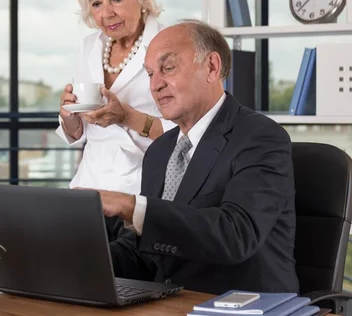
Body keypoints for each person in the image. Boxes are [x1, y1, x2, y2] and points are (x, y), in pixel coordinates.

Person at [95, 19, 299, 294]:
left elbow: (236, 235)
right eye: (150, 74)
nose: (155, 85)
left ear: (212, 67)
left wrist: (133, 206)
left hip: (242, 307)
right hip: (169, 304)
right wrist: (82, 258)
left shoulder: (261, 137)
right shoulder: (159, 151)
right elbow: (152, 249)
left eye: (167, 68)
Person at [56, 0, 174, 241]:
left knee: (125, 278)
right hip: (89, 190)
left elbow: (187, 136)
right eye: (96, 3)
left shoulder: (169, 45)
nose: (106, 13)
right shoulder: (89, 47)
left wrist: (126, 117)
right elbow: (79, 131)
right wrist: (69, 118)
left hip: (142, 195)